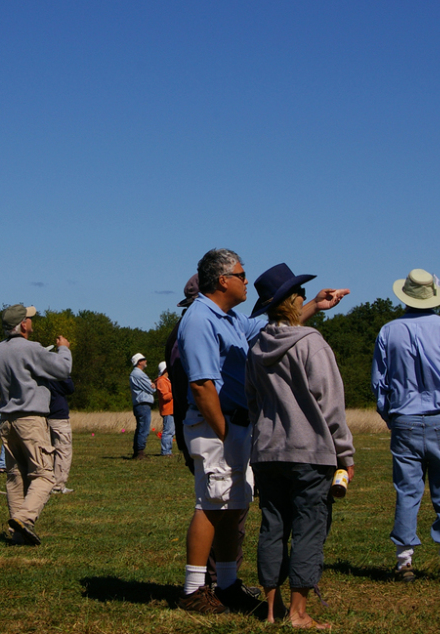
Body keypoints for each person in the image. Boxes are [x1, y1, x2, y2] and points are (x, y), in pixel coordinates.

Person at [176, 249, 350, 615]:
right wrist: (225, 433)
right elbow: (202, 385)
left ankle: (226, 585)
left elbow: (277, 326)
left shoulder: (227, 317)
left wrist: (315, 306)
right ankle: (194, 590)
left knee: (233, 504)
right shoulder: (199, 320)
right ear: (223, 280)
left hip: (234, 423)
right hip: (216, 424)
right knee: (211, 504)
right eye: (241, 274)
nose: (245, 280)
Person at [246, 264, 356, 628]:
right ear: (293, 301)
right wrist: (345, 454)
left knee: (273, 526)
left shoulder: (257, 346)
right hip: (309, 452)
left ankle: (272, 612)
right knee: (310, 526)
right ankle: (298, 613)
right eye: (300, 295)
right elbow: (331, 405)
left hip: (266, 452)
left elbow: (252, 400)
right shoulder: (312, 343)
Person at [371, 269, 440, 584]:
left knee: (407, 490)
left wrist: (391, 417)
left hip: (404, 420)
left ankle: (404, 560)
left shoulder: (388, 332)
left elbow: (379, 386)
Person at [0, 304, 72, 546]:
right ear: (23, 324)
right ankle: (25, 518)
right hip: (31, 420)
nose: (32, 321)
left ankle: (18, 534)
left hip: (6, 420)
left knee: (16, 477)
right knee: (45, 475)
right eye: (29, 319)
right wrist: (63, 349)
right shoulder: (31, 348)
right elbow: (64, 369)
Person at [45, 377, 76, 494]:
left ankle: (45, 482)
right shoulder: (56, 371)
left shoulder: (38, 369)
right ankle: (58, 485)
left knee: (47, 451)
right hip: (58, 415)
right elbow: (70, 388)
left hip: (44, 414)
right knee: (63, 450)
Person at [129, 353, 155, 459]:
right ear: (139, 362)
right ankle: (139, 451)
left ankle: (138, 450)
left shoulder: (136, 374)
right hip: (142, 404)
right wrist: (152, 385)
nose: (145, 361)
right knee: (143, 428)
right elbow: (151, 388)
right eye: (144, 359)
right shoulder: (138, 374)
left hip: (140, 405)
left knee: (141, 427)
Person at [154, 361, 174, 456]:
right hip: (167, 409)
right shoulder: (161, 381)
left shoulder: (167, 380)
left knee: (171, 431)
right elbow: (165, 397)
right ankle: (166, 452)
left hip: (171, 409)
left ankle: (168, 451)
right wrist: (175, 391)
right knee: (168, 431)